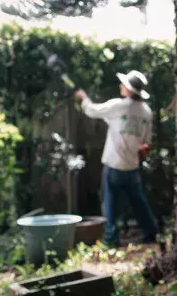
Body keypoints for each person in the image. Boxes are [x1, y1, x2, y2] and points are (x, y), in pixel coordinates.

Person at [74, 70, 158, 247]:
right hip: (132, 165)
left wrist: (83, 98)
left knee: (109, 204)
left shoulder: (118, 106)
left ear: (128, 89)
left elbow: (92, 110)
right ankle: (151, 233)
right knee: (139, 202)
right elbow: (146, 142)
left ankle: (111, 239)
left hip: (114, 165)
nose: (121, 86)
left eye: (123, 84)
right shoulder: (147, 112)